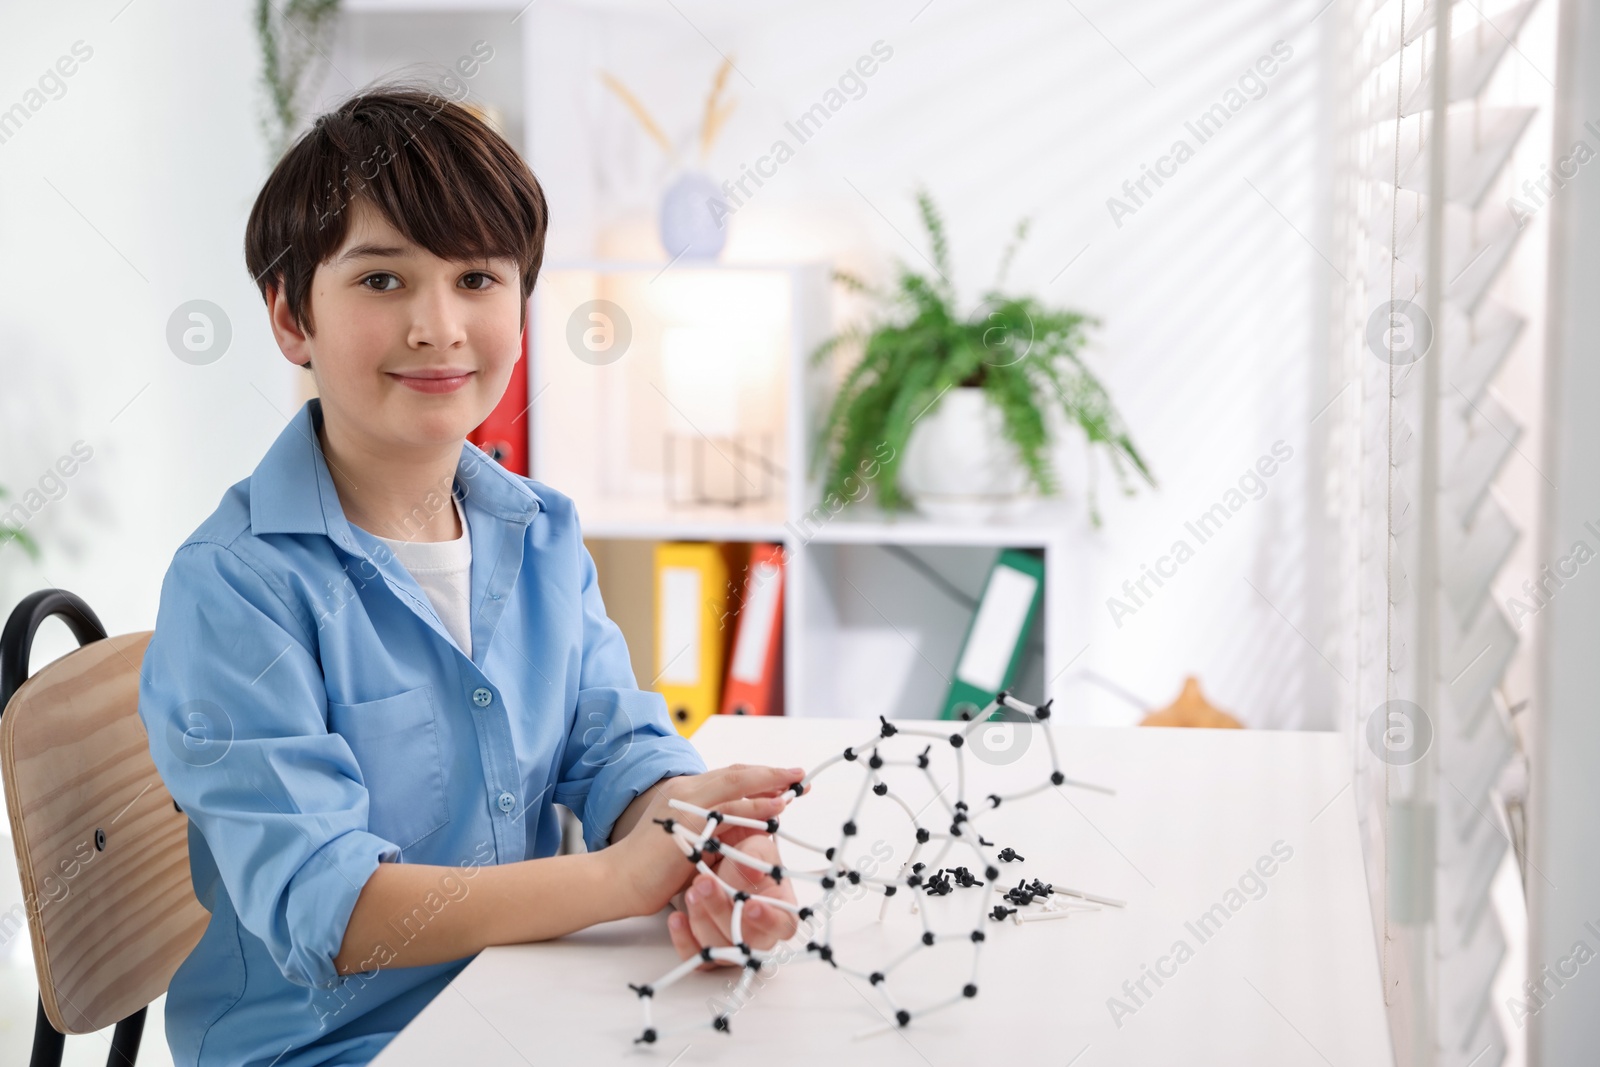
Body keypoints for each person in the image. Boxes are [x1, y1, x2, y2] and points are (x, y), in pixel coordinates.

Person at [137, 84, 801, 1067]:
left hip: (523, 1001)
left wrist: (697, 833)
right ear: (290, 315)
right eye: (381, 281)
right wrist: (624, 878)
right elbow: (332, 908)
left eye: (478, 279)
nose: (438, 326)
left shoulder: (538, 533)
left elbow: (615, 745)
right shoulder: (236, 586)